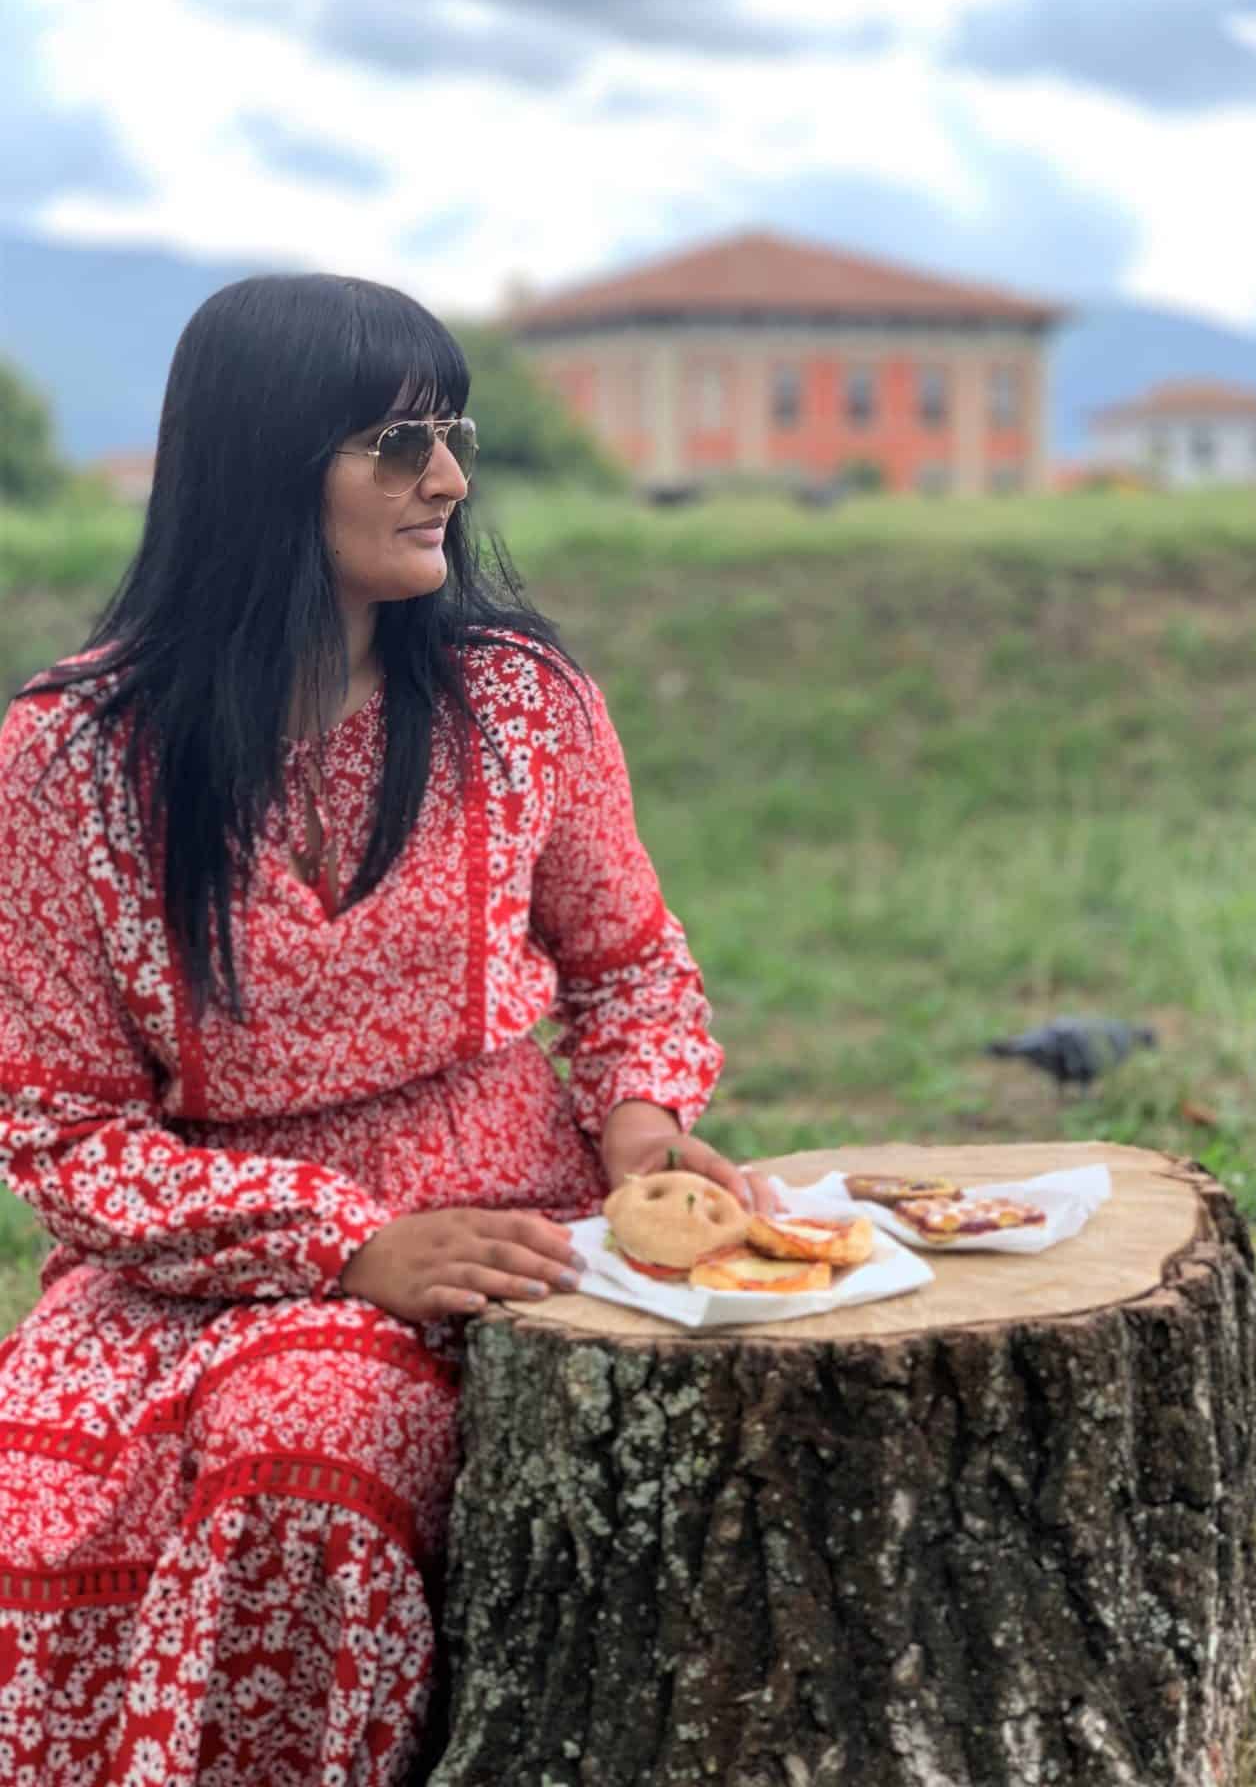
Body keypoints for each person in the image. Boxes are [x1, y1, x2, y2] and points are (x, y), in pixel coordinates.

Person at [0, 273, 773, 1785]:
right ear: (268, 465)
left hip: (507, 1228)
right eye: (398, 443)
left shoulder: (518, 704)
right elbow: (59, 1127)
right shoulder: (69, 761)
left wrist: (640, 1124)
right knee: (63, 1499)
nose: (452, 481)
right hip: (193, 1259)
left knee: (310, 1449)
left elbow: (626, 962)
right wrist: (342, 1247)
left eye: (453, 433)